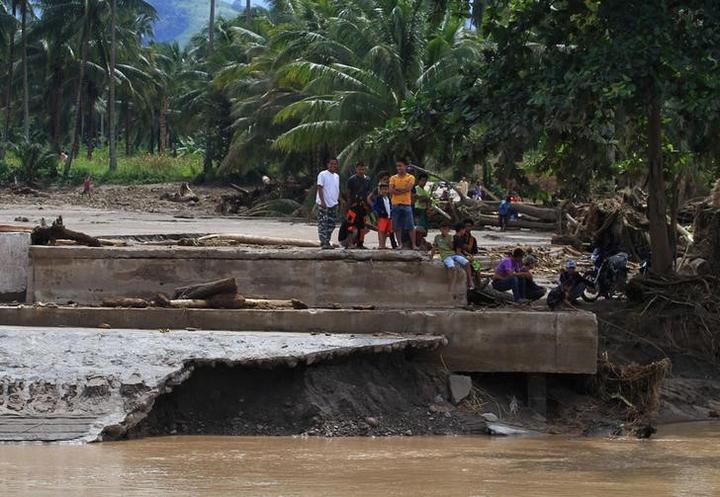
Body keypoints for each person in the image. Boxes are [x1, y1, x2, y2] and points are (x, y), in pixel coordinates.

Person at [431, 221, 474, 291]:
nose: (445, 230)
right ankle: (451, 287)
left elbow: (455, 248)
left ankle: (471, 282)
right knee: (453, 267)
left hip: (455, 255)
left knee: (468, 263)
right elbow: (458, 251)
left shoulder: (467, 237)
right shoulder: (439, 237)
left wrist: (468, 255)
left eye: (446, 229)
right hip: (447, 256)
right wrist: (431, 257)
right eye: (443, 229)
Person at [389, 159, 416, 250]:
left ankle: (413, 244)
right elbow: (391, 190)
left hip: (406, 204)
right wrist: (401, 190)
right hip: (395, 204)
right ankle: (400, 244)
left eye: (400, 165)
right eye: (397, 166)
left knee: (410, 225)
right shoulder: (393, 178)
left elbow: (408, 189)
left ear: (405, 166)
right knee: (397, 226)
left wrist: (397, 189)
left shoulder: (411, 177)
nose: (399, 168)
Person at [316, 158, 340, 249]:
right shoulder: (322, 174)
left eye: (335, 164)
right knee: (323, 223)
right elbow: (320, 187)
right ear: (328, 164)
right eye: (331, 164)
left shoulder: (337, 176)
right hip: (324, 203)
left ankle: (327, 241)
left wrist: (339, 200)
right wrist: (322, 201)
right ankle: (323, 242)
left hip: (333, 203)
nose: (333, 166)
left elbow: (336, 189)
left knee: (332, 223)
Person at [345, 162, 371, 249]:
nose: (361, 171)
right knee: (350, 225)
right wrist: (348, 206)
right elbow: (348, 194)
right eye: (359, 169)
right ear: (356, 169)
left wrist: (367, 206)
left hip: (363, 206)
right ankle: (349, 243)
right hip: (353, 206)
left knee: (362, 226)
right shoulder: (351, 180)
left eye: (363, 169)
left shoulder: (367, 179)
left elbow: (368, 193)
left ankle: (360, 243)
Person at [371, 183, 393, 249]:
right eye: (383, 189)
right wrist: (380, 212)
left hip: (388, 217)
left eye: (386, 189)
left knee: (386, 231)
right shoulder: (378, 198)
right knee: (381, 231)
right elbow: (375, 207)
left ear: (388, 190)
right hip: (381, 217)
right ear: (380, 190)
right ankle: (381, 245)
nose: (384, 191)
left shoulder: (388, 198)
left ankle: (383, 244)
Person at [413, 173, 432, 248]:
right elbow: (420, 199)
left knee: (424, 227)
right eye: (422, 180)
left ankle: (421, 242)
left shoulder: (425, 190)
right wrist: (426, 199)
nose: (424, 182)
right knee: (419, 227)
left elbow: (429, 201)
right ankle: (417, 242)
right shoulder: (416, 188)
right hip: (418, 209)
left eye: (425, 181)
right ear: (419, 181)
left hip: (424, 210)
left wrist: (426, 200)